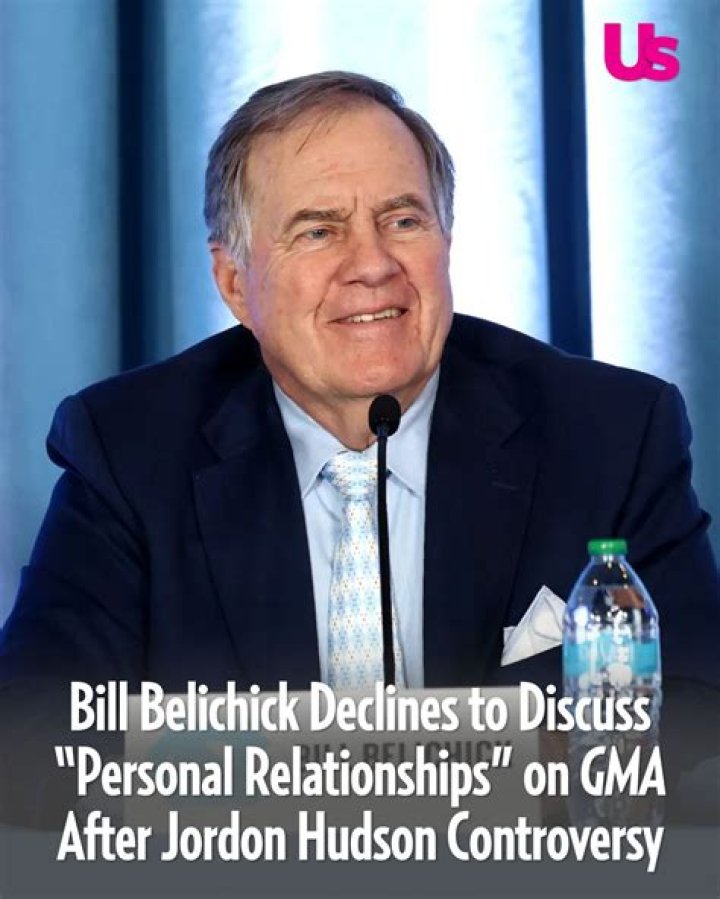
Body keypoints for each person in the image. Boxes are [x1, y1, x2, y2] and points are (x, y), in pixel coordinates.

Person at [1, 71, 719, 695]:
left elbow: (694, 724)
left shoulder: (613, 435)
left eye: (403, 220)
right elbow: (38, 741)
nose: (372, 265)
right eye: (318, 231)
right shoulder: (129, 452)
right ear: (234, 283)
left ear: (446, 241)